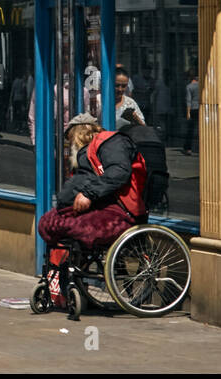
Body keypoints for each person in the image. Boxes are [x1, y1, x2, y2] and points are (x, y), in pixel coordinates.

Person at [37, 113, 147, 307]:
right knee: (50, 221)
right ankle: (62, 280)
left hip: (121, 210)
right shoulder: (88, 152)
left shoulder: (111, 142)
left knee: (77, 226)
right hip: (103, 204)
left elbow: (119, 171)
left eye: (71, 140)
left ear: (79, 134)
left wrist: (88, 194)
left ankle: (69, 282)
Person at [183, 70, 200, 156]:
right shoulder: (202, 86)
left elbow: (188, 100)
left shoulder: (189, 87)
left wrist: (188, 112)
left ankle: (188, 148)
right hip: (202, 108)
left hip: (193, 108)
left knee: (191, 129)